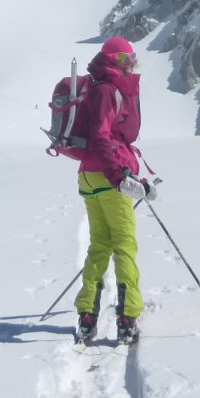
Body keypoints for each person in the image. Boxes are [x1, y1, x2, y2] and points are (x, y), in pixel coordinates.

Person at [52, 36, 148, 344]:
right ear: (117, 60)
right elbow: (100, 137)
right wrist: (119, 176)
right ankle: (128, 318)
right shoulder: (108, 90)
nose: (133, 63)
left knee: (100, 245)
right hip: (108, 176)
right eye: (128, 58)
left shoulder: (98, 87)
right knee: (124, 245)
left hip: (90, 177)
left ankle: (87, 316)